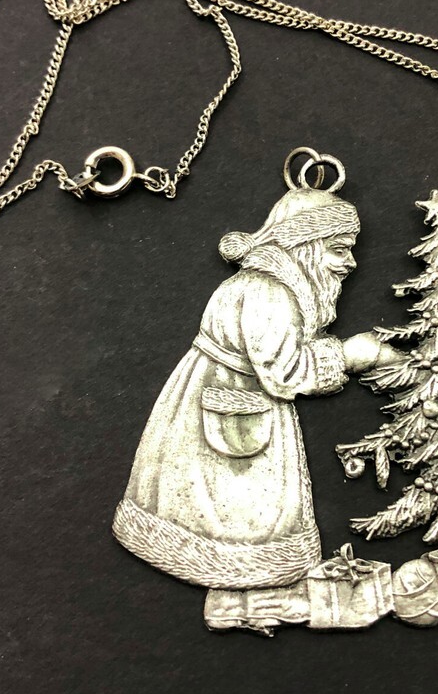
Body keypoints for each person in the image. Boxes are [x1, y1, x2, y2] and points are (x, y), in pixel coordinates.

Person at [112, 184, 397, 633]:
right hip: (232, 412)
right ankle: (243, 598)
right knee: (243, 513)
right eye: (339, 250)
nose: (351, 263)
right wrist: (348, 355)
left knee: (242, 513)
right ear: (306, 246)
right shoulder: (268, 293)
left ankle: (243, 602)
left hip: (231, 401)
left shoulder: (269, 286)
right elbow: (285, 372)